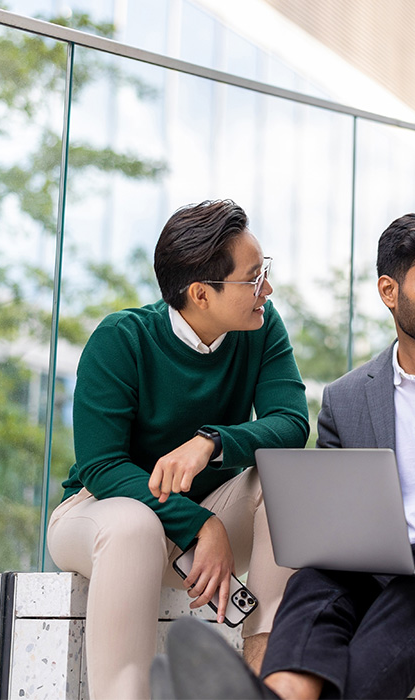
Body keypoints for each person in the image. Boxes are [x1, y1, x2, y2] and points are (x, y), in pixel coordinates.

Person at [158, 211, 415, 700]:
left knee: (405, 607)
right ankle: (282, 691)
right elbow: (335, 523)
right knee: (313, 587)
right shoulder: (347, 397)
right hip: (382, 574)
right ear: (389, 291)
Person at [46, 200, 310, 699]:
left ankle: (265, 679)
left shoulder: (262, 327)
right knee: (133, 525)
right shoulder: (122, 338)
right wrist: (199, 523)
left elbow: (292, 424)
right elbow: (101, 466)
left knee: (284, 480)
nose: (267, 290)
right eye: (253, 279)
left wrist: (211, 443)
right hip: (100, 517)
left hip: (200, 531)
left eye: (264, 273)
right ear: (200, 294)